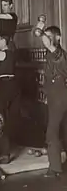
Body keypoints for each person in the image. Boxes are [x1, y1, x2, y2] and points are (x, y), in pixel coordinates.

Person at [33, 23, 67, 177]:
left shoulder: (59, 54)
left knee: (51, 133)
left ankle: (54, 169)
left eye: (49, 36)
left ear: (58, 38)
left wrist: (40, 32)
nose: (45, 40)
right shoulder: (50, 55)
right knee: (60, 130)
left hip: (60, 97)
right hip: (55, 97)